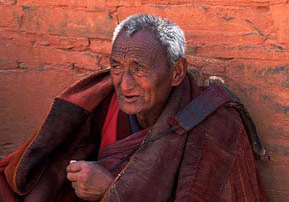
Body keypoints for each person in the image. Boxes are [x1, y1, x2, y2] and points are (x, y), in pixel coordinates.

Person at [0, 14, 267, 201]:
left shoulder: (214, 125)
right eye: (117, 66)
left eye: (139, 70)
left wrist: (111, 189)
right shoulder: (104, 100)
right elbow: (51, 162)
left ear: (177, 72)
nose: (124, 85)